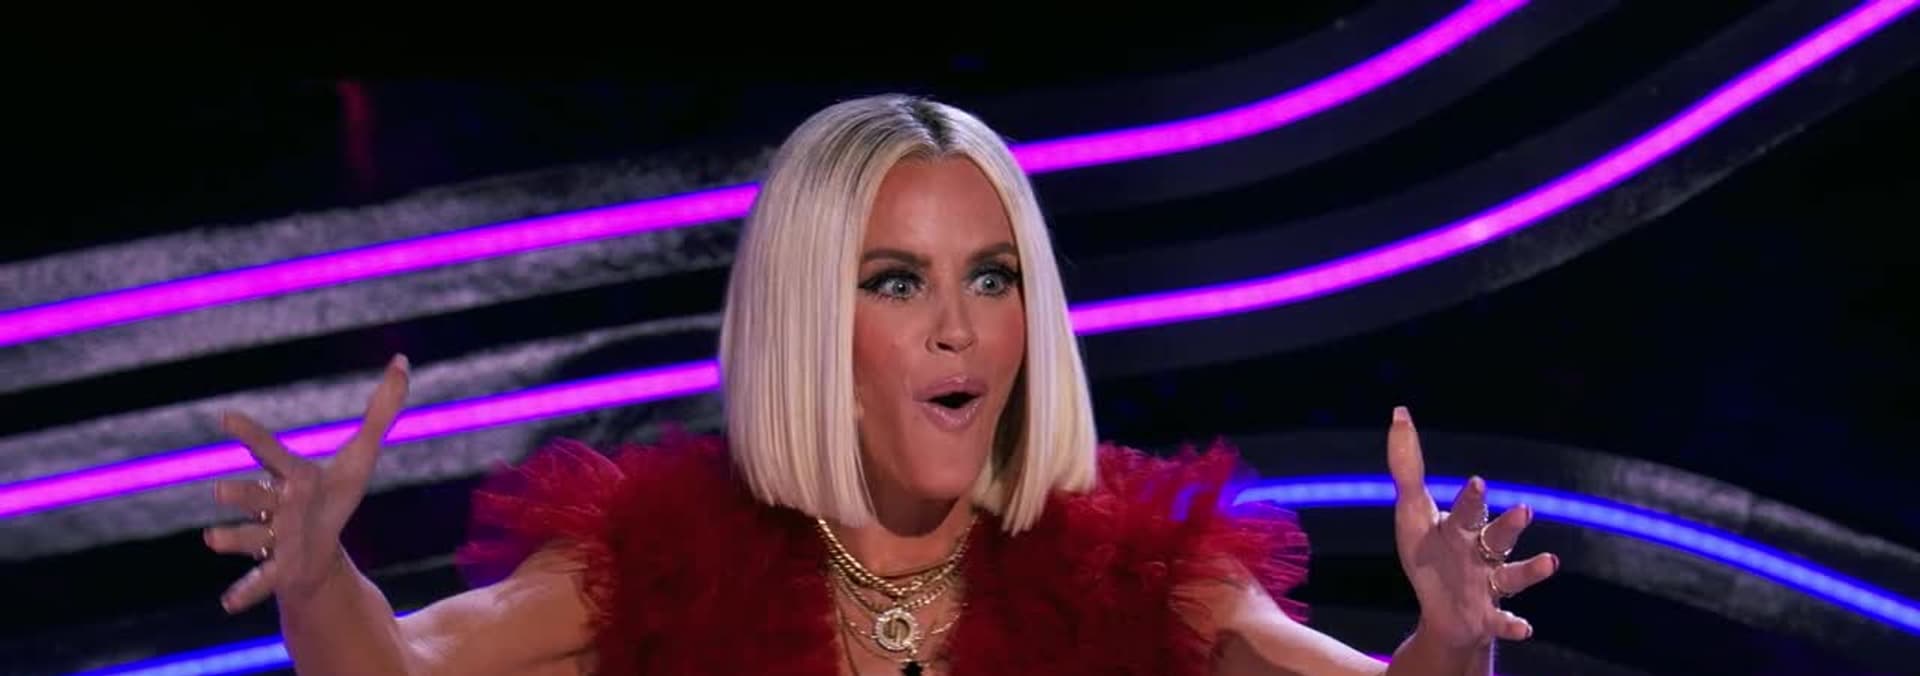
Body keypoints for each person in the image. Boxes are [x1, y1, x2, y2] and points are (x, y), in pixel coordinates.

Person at [201, 94, 1558, 675]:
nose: (960, 330)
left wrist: (1453, 637)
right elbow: (402, 665)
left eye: (993, 276)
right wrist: (319, 580)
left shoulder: (1137, 576)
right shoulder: (663, 569)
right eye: (898, 283)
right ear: (808, 320)